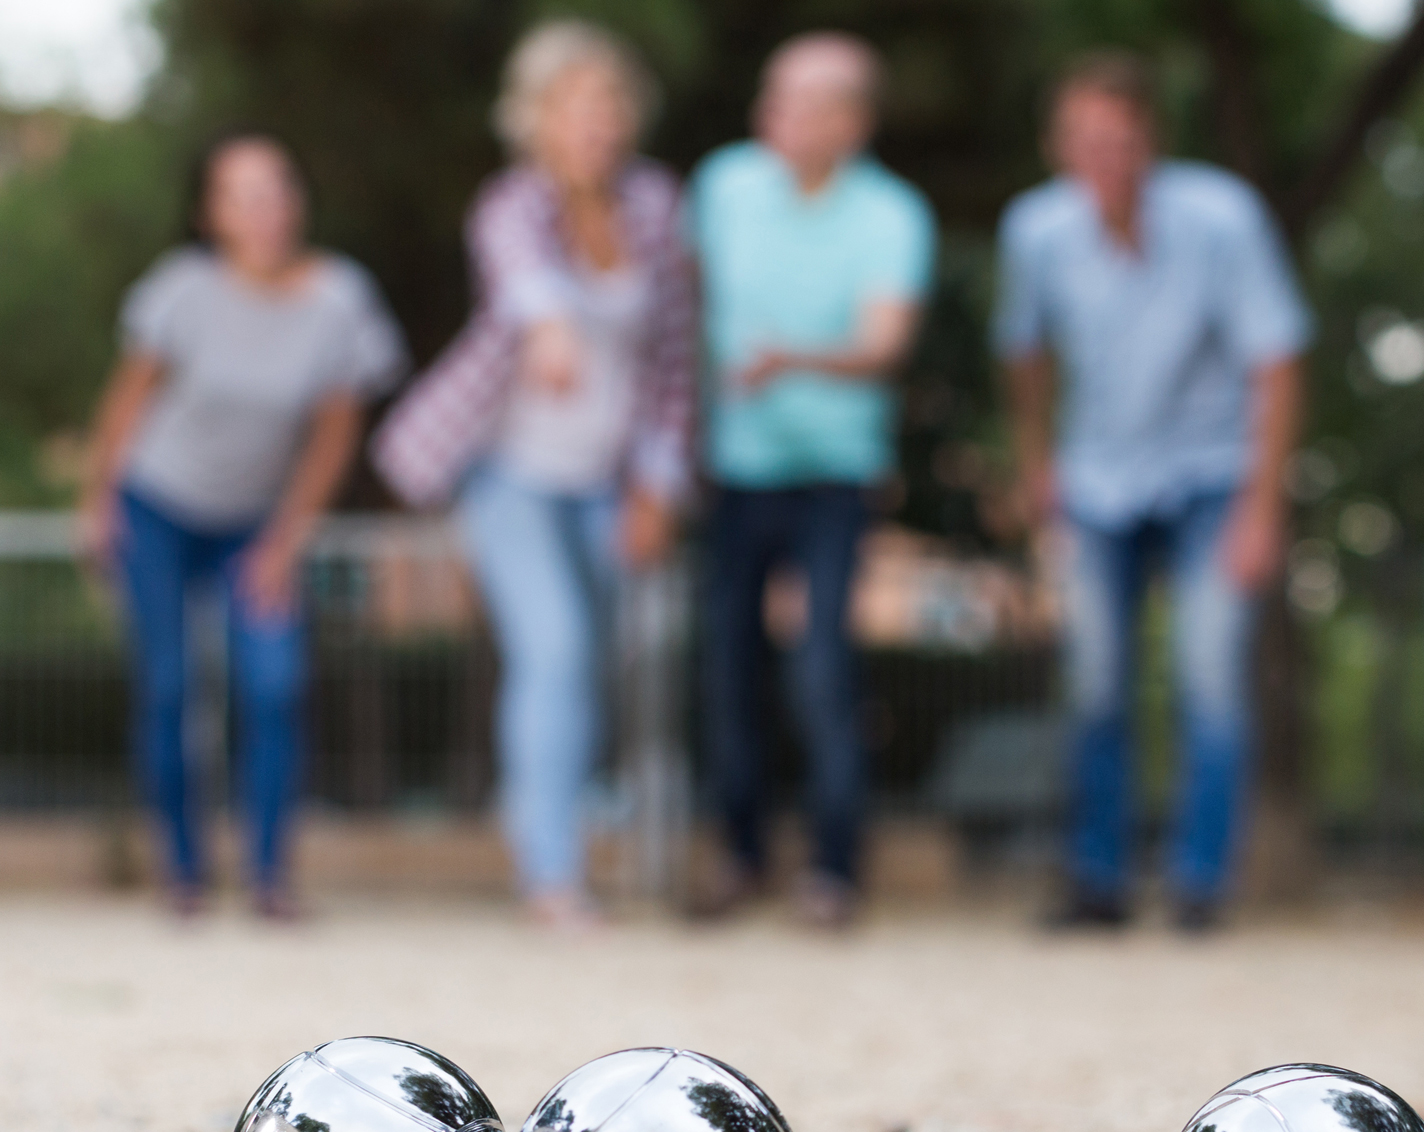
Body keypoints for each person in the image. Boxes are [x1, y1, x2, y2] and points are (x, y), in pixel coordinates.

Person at [374, 20, 696, 929]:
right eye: (576, 104)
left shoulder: (657, 207)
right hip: (509, 471)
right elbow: (526, 283)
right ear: (538, 119)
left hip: (607, 477)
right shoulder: (510, 205)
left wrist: (660, 485)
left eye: (610, 101)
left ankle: (565, 839)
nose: (598, 121)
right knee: (551, 647)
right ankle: (551, 874)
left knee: (593, 663)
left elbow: (674, 361)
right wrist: (552, 329)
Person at [995, 52, 1311, 932]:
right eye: (1086, 139)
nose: (1106, 158)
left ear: (1151, 142)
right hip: (1097, 478)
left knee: (1209, 674)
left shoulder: (1223, 219)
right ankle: (1098, 880)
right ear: (1059, 147)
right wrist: (1036, 466)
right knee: (1095, 681)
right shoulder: (1037, 232)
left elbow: (1277, 362)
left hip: (1214, 475)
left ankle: (1200, 883)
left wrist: (1263, 505)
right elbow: (1024, 352)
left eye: (1121, 139)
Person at [78, 132, 406, 919]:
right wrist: (97, 503)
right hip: (158, 505)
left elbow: (334, 434)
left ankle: (269, 876)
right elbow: (127, 401)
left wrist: (286, 540)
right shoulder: (180, 291)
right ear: (210, 214)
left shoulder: (340, 300)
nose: (266, 207)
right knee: (168, 686)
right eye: (242, 193)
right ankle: (183, 871)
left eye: (278, 186)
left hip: (256, 521)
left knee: (275, 684)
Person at [687, 32, 936, 928]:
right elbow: (686, 301)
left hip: (836, 471)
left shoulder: (891, 215)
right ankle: (740, 853)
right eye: (772, 94)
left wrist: (791, 360)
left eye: (796, 102)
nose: (772, 115)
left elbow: (886, 344)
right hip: (735, 468)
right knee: (727, 666)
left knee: (823, 667)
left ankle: (834, 866)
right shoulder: (723, 186)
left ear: (850, 122)